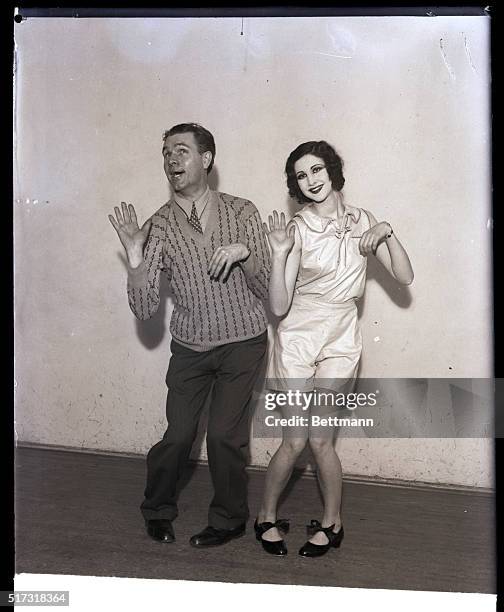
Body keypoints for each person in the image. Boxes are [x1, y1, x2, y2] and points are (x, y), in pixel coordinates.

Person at [109, 123, 270, 548]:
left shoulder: (243, 212)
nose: (172, 160)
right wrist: (135, 255)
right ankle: (158, 510)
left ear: (207, 159)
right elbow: (145, 309)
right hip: (190, 348)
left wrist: (246, 253)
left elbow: (271, 289)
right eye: (166, 153)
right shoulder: (157, 225)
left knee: (223, 437)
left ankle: (231, 517)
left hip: (242, 343)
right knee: (178, 436)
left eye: (181, 150)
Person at [255, 140, 413, 557]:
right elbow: (277, 305)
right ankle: (266, 516)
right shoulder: (297, 228)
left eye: (317, 170)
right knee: (294, 440)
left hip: (342, 336)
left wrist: (387, 231)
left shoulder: (364, 220)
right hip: (298, 336)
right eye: (301, 176)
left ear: (333, 170)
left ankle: (332, 522)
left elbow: (405, 274)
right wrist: (278, 255)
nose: (311, 182)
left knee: (322, 441)